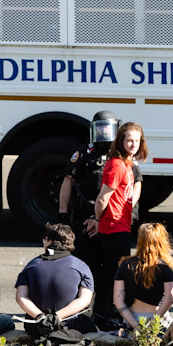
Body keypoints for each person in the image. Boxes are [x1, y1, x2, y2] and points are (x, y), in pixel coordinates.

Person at [58, 110, 119, 304]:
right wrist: (62, 214)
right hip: (84, 219)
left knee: (110, 269)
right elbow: (68, 182)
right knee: (84, 266)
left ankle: (107, 309)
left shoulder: (119, 156)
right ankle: (83, 308)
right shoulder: (84, 153)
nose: (103, 134)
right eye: (99, 130)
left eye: (107, 130)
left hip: (109, 221)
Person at [89, 121, 145, 320]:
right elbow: (103, 198)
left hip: (120, 226)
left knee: (112, 273)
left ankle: (104, 312)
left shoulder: (127, 163)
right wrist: (97, 219)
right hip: (113, 227)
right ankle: (105, 313)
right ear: (121, 140)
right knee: (115, 275)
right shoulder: (117, 165)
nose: (133, 144)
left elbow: (131, 190)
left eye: (136, 141)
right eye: (129, 140)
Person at [14, 222, 97, 335]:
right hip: (69, 326)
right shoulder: (81, 266)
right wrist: (57, 317)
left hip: (37, 326)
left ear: (50, 241)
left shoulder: (31, 265)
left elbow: (21, 296)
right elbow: (85, 299)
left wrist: (41, 317)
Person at [112, 222, 173, 331]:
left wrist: (136, 326)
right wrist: (152, 323)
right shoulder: (165, 268)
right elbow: (169, 298)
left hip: (131, 320)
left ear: (140, 240)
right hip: (158, 320)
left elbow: (118, 301)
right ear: (162, 241)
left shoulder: (125, 264)